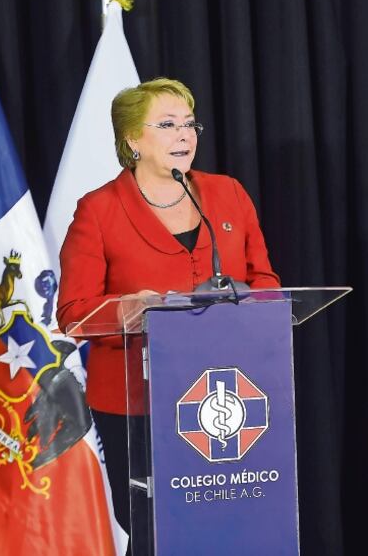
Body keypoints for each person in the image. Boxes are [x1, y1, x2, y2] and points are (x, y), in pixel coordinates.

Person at [56, 78, 280, 548]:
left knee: (231, 525)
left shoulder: (228, 195)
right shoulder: (97, 210)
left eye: (190, 124)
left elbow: (267, 282)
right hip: (137, 402)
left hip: (230, 392)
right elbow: (74, 314)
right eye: (167, 125)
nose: (185, 135)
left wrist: (248, 301)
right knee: (157, 532)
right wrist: (128, 308)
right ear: (132, 139)